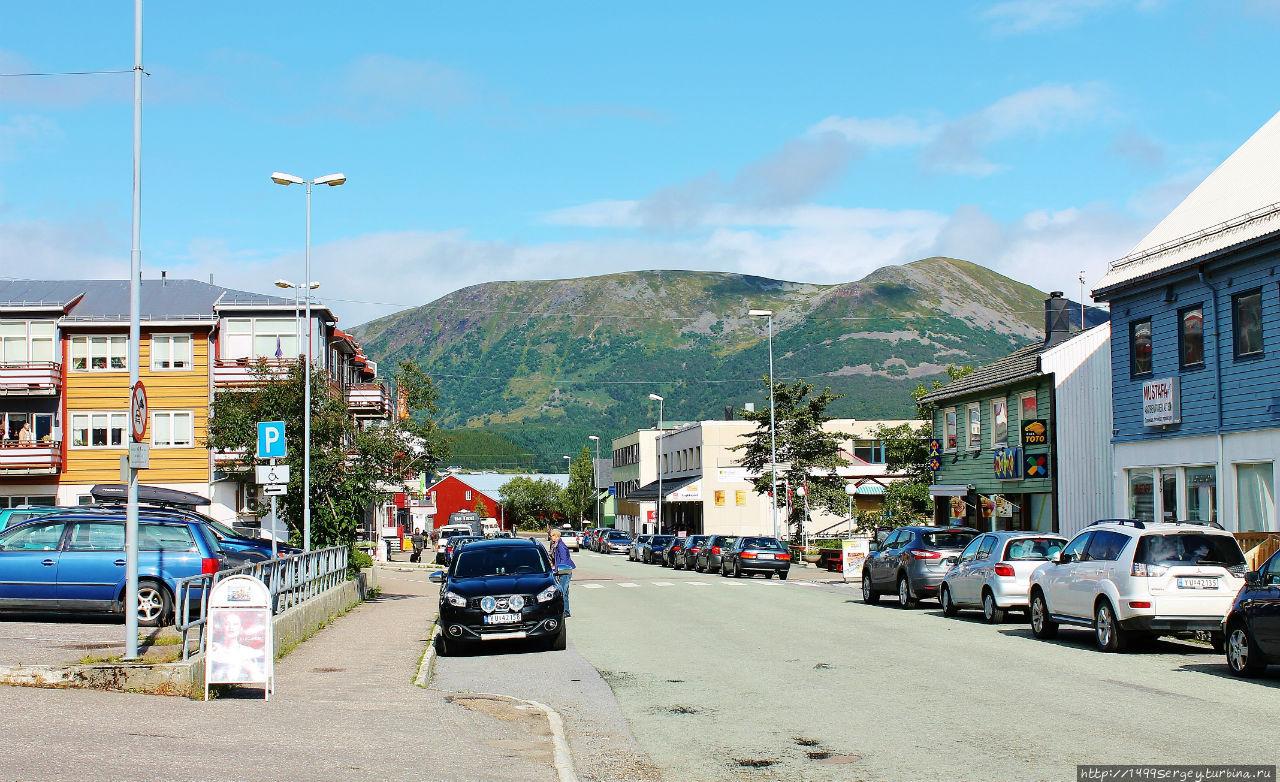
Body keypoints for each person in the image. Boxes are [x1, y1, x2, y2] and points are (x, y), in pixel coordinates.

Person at [548, 528, 575, 618]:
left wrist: (555, 567)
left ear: (556, 536)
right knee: (565, 591)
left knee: (562, 592)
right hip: (562, 570)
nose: (550, 537)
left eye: (551, 535)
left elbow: (563, 561)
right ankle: (566, 611)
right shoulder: (556, 544)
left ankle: (563, 611)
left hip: (565, 571)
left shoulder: (561, 546)